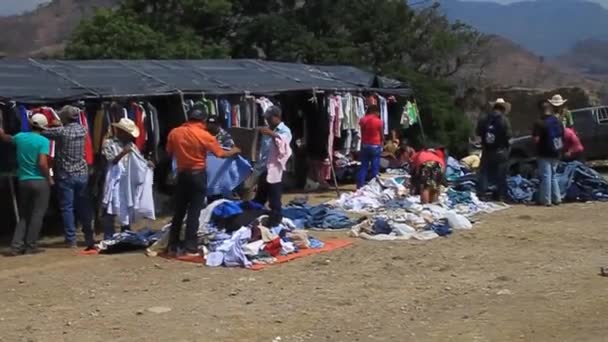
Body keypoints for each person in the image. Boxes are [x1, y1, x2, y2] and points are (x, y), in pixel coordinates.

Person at [166, 108, 241, 256]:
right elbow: (220, 154)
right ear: (203, 120)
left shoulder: (175, 132)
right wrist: (235, 151)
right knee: (194, 211)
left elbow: (170, 151)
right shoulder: (205, 135)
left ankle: (172, 244)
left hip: (182, 176)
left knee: (179, 211)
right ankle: (190, 246)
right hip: (198, 175)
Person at [43, 105, 94, 249]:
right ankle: (89, 236)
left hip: (66, 174)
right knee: (84, 206)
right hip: (82, 173)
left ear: (65, 117)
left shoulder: (62, 131)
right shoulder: (83, 129)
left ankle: (71, 239)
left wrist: (51, 124)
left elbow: (42, 132)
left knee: (67, 207)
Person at [0, 114, 52, 256]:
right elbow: (42, 163)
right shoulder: (43, 141)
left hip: (23, 180)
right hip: (39, 180)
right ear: (43, 127)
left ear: (30, 124)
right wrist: (49, 179)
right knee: (37, 214)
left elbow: (5, 137)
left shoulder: (20, 137)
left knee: (24, 215)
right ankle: (31, 245)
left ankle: (16, 246)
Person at [100, 117, 142, 240]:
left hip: (127, 180)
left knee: (127, 206)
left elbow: (138, 161)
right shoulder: (109, 143)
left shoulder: (132, 145)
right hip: (114, 179)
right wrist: (123, 152)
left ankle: (126, 233)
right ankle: (108, 235)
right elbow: (111, 160)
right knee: (110, 206)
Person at [254, 106, 292, 228]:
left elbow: (284, 145)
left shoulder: (284, 130)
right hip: (264, 169)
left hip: (276, 171)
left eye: (270, 118)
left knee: (275, 200)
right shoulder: (267, 130)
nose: (268, 121)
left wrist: (272, 134)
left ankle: (275, 223)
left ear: (277, 117)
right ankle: (255, 218)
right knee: (260, 197)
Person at [476, 98, 512, 202]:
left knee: (484, 173)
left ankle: (481, 194)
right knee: (501, 174)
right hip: (500, 151)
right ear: (503, 109)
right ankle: (500, 195)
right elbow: (508, 135)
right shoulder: (504, 120)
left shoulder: (484, 119)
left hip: (487, 150)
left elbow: (478, 132)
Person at [533, 97, 565, 206]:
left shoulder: (540, 123)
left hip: (544, 152)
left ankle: (546, 200)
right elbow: (562, 136)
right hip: (556, 151)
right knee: (554, 175)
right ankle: (557, 198)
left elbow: (536, 139)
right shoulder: (558, 121)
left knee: (546, 176)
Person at [357, 104, 383, 188]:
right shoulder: (379, 121)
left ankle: (360, 185)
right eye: (378, 112)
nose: (379, 114)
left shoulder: (363, 120)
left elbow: (361, 132)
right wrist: (382, 142)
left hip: (365, 145)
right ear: (375, 111)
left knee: (363, 166)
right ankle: (374, 186)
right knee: (375, 167)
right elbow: (381, 134)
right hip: (375, 145)